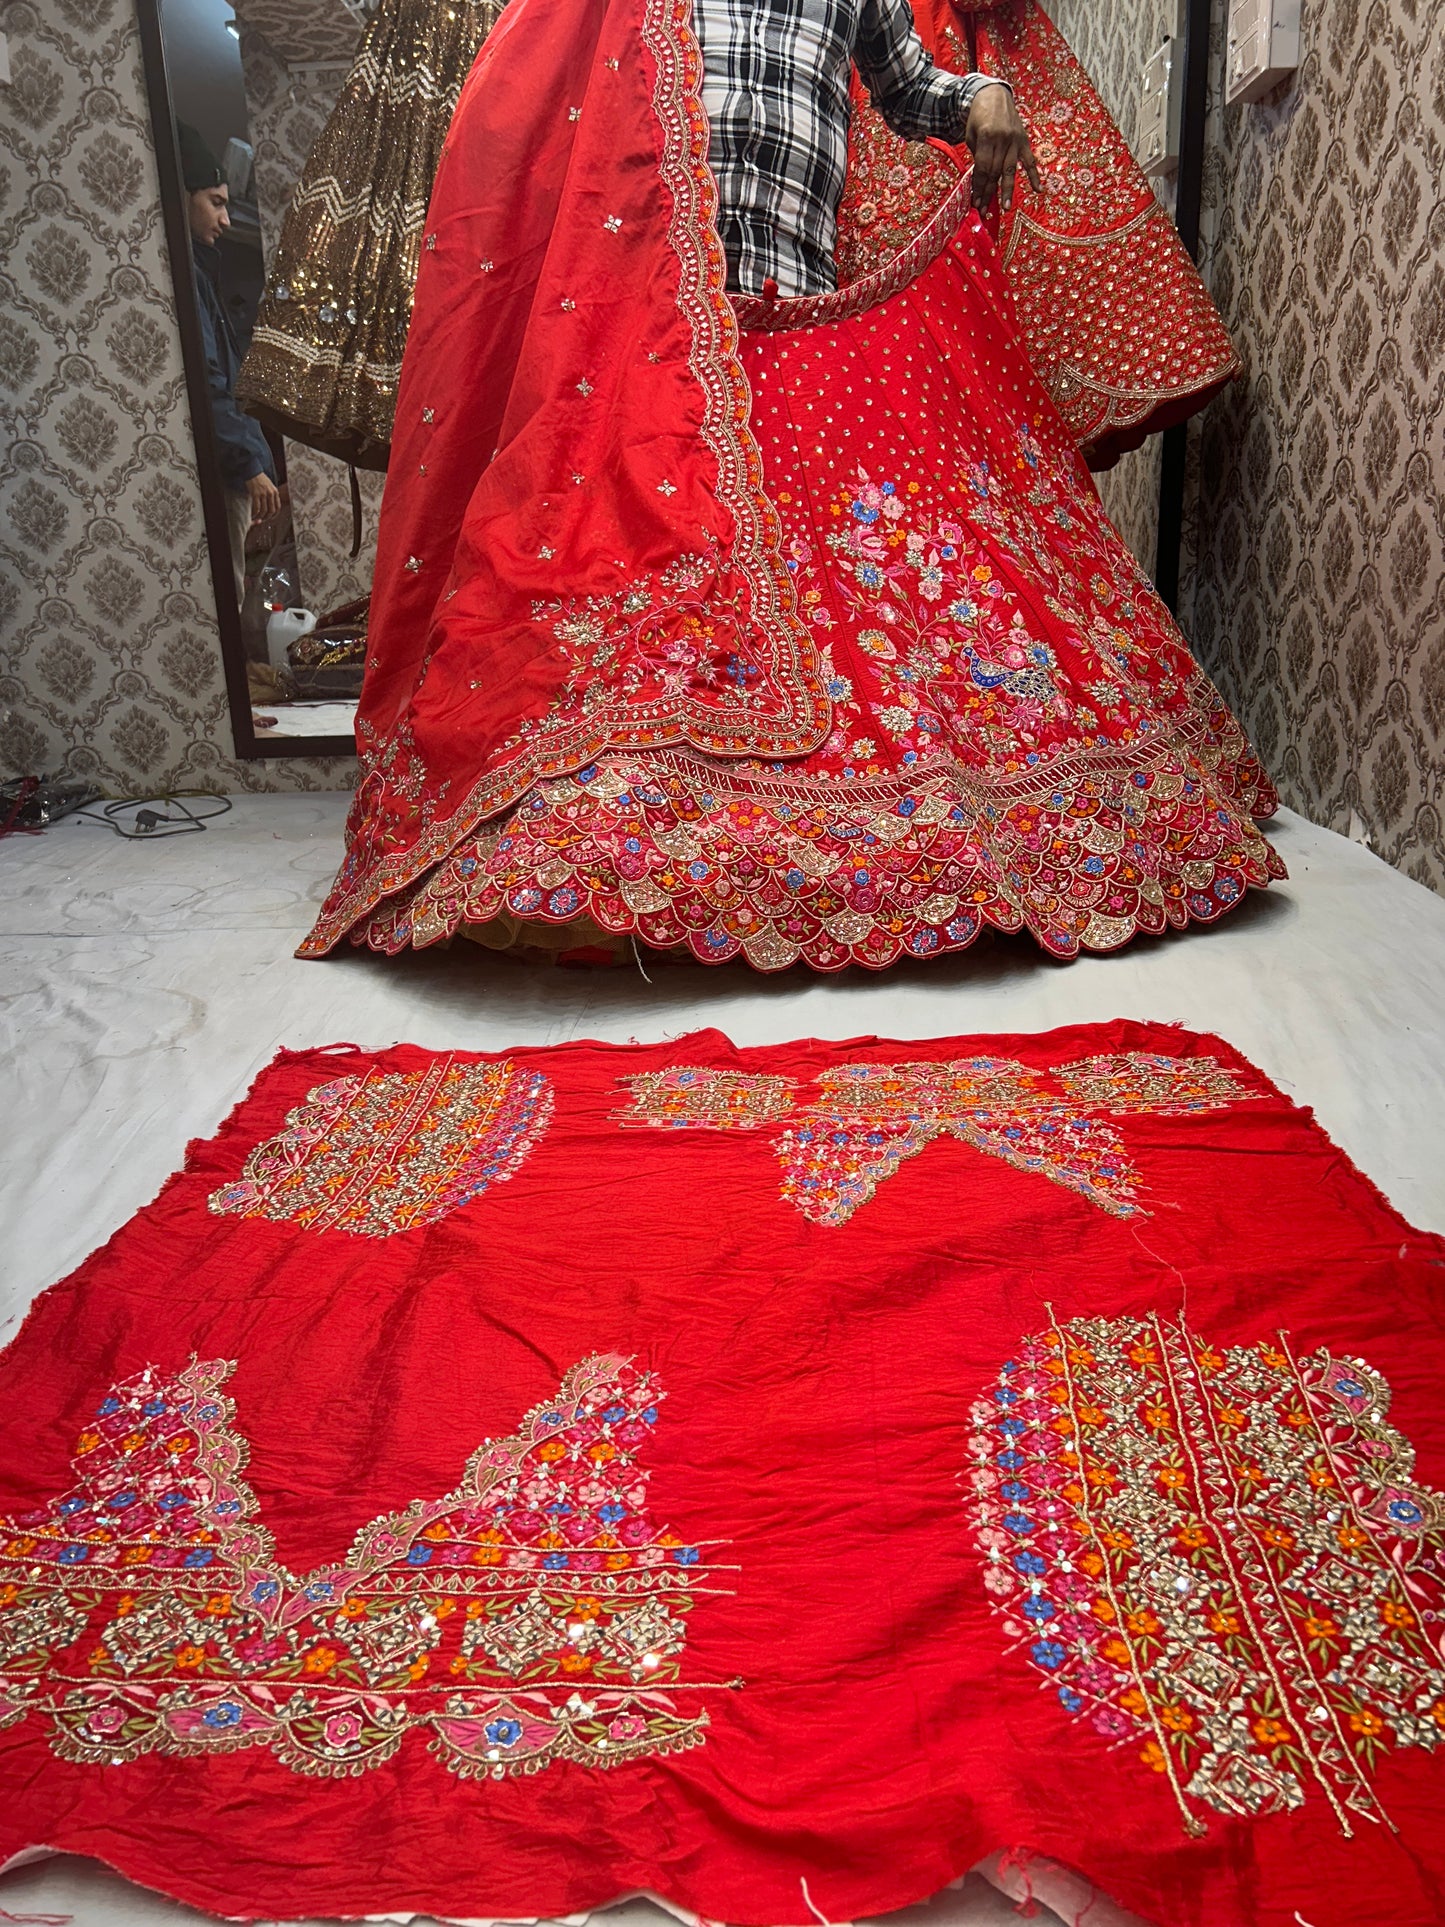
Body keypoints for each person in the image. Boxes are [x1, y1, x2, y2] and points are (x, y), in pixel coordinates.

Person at [300, 0, 1283, 970]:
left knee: (859, 626)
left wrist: (980, 95)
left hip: (798, 341)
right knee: (620, 624)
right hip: (638, 350)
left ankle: (811, 846)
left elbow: (908, 89)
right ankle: (626, 846)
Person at [177, 122, 281, 607]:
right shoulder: (187, 281)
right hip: (226, 469)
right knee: (229, 596)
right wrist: (247, 464)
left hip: (232, 465)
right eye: (215, 203)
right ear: (184, 197)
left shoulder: (199, 275)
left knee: (236, 588)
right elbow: (209, 380)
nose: (224, 220)